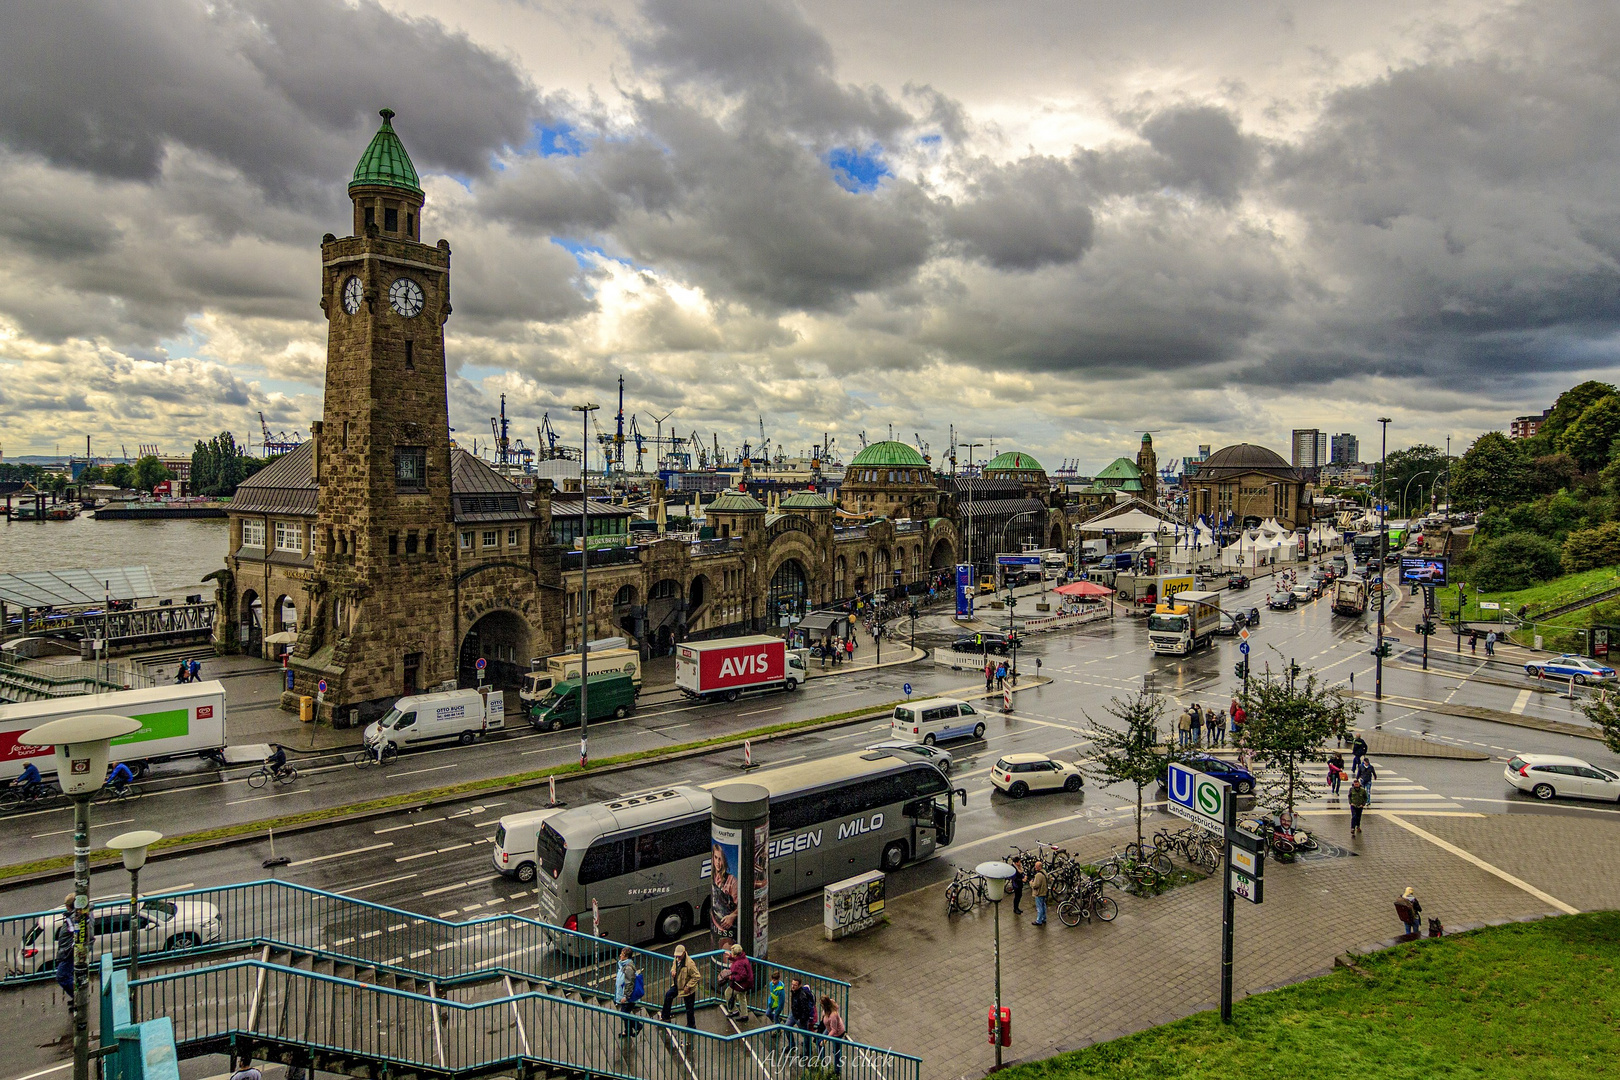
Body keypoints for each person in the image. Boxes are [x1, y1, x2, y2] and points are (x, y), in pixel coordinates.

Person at [661, 945, 700, 1029]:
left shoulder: (690, 964)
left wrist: (688, 986)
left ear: (684, 953)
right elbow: (673, 966)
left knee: (689, 1008)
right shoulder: (676, 959)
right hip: (678, 985)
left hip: (687, 989)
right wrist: (673, 971)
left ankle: (691, 1025)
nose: (677, 958)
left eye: (679, 956)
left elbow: (697, 976)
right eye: (676, 956)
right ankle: (665, 1017)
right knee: (668, 995)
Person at [54, 894, 81, 1011]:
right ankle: (77, 997)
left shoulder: (74, 918)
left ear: (68, 906)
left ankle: (78, 999)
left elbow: (75, 930)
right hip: (68, 951)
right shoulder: (73, 916)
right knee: (69, 975)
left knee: (62, 976)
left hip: (68, 952)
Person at [719, 943, 754, 1020]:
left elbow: (742, 975)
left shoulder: (738, 964)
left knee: (728, 993)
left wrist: (732, 977)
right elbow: (738, 960)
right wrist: (731, 957)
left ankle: (733, 1010)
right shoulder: (743, 958)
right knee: (742, 997)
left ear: (735, 954)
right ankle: (744, 1015)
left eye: (732, 953)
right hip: (747, 983)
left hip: (741, 984)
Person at [614, 947, 641, 1037]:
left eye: (622, 954)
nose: (620, 956)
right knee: (625, 1013)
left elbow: (629, 983)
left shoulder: (628, 968)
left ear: (626, 956)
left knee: (624, 1014)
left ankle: (637, 1026)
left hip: (627, 997)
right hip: (624, 995)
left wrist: (626, 996)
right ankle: (628, 1031)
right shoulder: (624, 965)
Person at [789, 976, 818, 1058]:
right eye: (792, 984)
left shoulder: (802, 996)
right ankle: (792, 1044)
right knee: (787, 1027)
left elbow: (805, 1010)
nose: (792, 986)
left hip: (799, 1017)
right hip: (794, 1014)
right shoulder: (794, 991)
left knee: (806, 1035)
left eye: (795, 985)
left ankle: (808, 1051)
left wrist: (802, 1019)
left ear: (799, 986)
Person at [818, 995, 846, 1076]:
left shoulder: (833, 1015)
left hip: (837, 1033)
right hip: (829, 1028)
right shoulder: (827, 1008)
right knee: (819, 1042)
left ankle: (837, 1071)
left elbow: (834, 1030)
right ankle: (821, 1061)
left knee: (836, 1051)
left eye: (821, 1005)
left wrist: (825, 1040)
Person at [765, 969, 788, 1040]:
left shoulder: (781, 990)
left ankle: (778, 1031)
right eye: (772, 980)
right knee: (768, 1013)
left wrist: (778, 1010)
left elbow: (781, 1001)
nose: (773, 981)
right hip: (772, 1003)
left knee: (775, 1017)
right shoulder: (771, 984)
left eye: (775, 980)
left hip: (777, 1006)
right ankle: (776, 1021)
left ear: (778, 979)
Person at [1029, 861, 1049, 926]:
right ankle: (1044, 918)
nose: (1035, 867)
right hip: (1044, 892)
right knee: (1043, 905)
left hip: (1039, 893)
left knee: (1039, 907)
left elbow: (1035, 885)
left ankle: (1039, 921)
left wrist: (1031, 883)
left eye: (1036, 866)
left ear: (1039, 867)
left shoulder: (1038, 875)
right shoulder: (1044, 872)